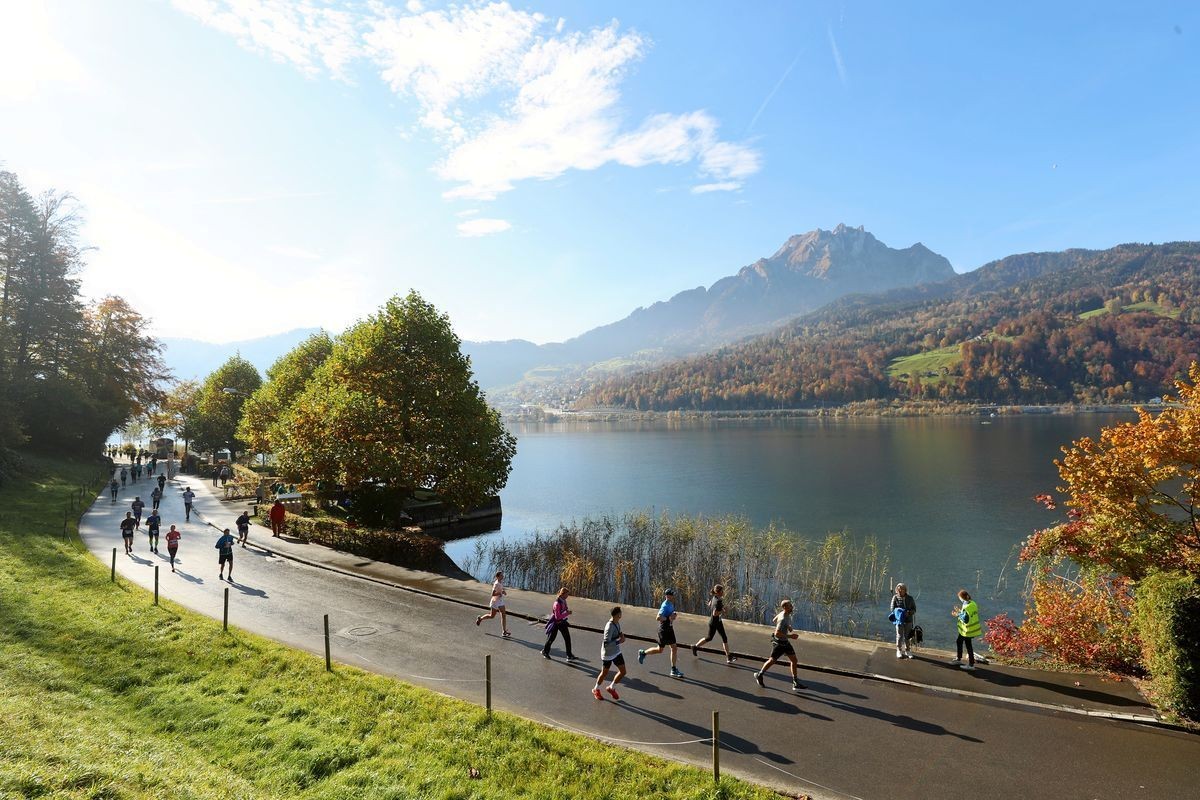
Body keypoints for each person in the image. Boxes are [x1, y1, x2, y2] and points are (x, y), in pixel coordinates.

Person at [753, 598, 805, 691]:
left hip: (785, 643)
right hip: (779, 644)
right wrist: (790, 636)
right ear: (785, 607)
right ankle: (759, 674)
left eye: (791, 605)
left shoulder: (784, 614)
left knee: (794, 660)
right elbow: (777, 633)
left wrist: (788, 626)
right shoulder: (783, 618)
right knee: (772, 660)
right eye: (790, 606)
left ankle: (795, 682)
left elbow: (774, 620)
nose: (792, 607)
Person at [638, 587, 684, 678]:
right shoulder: (665, 605)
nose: (673, 596)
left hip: (669, 629)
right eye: (671, 595)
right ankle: (643, 653)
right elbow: (658, 617)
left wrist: (674, 614)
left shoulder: (670, 603)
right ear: (667, 596)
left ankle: (673, 669)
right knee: (661, 649)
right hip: (664, 630)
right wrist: (668, 618)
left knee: (673, 648)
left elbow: (671, 613)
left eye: (673, 595)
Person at [692, 584, 735, 663]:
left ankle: (728, 657)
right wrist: (723, 611)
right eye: (722, 591)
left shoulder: (715, 597)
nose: (723, 592)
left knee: (724, 638)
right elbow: (715, 613)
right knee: (709, 638)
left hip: (717, 622)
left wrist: (721, 608)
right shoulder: (718, 601)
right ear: (719, 592)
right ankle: (695, 647)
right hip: (714, 623)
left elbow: (709, 604)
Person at [592, 606, 627, 700]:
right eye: (620, 613)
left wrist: (621, 635)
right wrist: (619, 641)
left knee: (623, 671)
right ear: (617, 615)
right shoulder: (609, 627)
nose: (621, 614)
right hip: (608, 654)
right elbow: (607, 643)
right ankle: (596, 689)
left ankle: (611, 687)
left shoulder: (617, 622)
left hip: (616, 651)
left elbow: (619, 631)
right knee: (604, 673)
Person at [952, 589, 982, 670]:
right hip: (971, 629)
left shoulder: (966, 606)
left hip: (967, 630)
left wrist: (957, 614)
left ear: (962, 598)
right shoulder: (973, 603)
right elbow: (968, 614)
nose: (959, 599)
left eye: (959, 598)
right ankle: (960, 659)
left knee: (967, 645)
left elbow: (965, 619)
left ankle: (970, 664)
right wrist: (959, 611)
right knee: (960, 642)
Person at [541, 587, 574, 660]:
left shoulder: (563, 601)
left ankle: (569, 655)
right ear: (562, 594)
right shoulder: (557, 604)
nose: (567, 596)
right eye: (567, 594)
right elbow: (557, 617)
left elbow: (564, 609)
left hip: (562, 622)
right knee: (551, 638)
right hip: (556, 623)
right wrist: (567, 613)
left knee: (567, 638)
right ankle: (545, 652)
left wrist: (567, 611)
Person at [475, 570, 511, 636]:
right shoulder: (496, 584)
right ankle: (480, 619)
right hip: (495, 601)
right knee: (492, 616)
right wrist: (500, 593)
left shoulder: (500, 582)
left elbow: (500, 589)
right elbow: (493, 594)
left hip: (500, 601)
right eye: (501, 575)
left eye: (502, 575)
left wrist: (503, 591)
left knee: (503, 615)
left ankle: (504, 631)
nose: (502, 576)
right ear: (497, 577)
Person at [890, 583, 917, 659]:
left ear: (905, 590)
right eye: (898, 589)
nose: (900, 591)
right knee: (899, 636)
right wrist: (899, 611)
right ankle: (898, 650)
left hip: (908, 620)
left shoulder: (910, 598)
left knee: (907, 636)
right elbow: (892, 609)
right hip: (899, 620)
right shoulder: (895, 597)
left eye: (901, 589)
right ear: (896, 590)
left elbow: (914, 609)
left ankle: (907, 650)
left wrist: (909, 612)